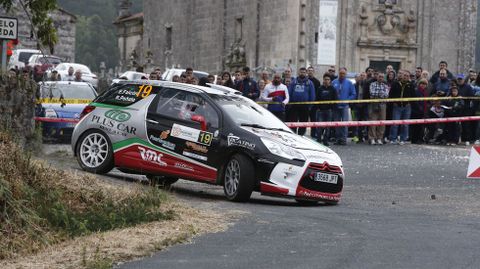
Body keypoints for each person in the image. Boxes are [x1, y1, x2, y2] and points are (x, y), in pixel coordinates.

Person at [388, 71, 417, 144]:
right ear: (402, 76)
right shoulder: (395, 84)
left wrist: (410, 104)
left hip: (407, 107)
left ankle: (403, 139)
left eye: (407, 76)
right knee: (395, 123)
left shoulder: (411, 85)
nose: (405, 77)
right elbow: (391, 94)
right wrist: (393, 103)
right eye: (404, 75)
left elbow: (413, 96)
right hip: (397, 106)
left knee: (405, 124)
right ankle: (393, 138)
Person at [331, 67, 356, 145]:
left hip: (345, 106)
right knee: (337, 123)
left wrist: (347, 100)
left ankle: (344, 139)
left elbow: (353, 94)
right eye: (340, 73)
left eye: (343, 73)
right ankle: (338, 138)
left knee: (345, 123)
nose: (342, 75)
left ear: (346, 74)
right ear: (338, 73)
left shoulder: (349, 83)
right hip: (336, 106)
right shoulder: (334, 82)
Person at [288, 67, 316, 135]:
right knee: (293, 122)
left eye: (304, 72)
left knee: (303, 123)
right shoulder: (294, 82)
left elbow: (312, 95)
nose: (302, 73)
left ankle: (301, 136)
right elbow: (289, 93)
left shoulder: (310, 83)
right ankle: (293, 136)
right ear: (298, 72)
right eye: (301, 72)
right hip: (294, 105)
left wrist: (310, 106)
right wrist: (290, 104)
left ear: (306, 73)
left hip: (305, 106)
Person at [315, 73, 338, 146]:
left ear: (330, 81)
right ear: (323, 80)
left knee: (328, 127)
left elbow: (335, 100)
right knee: (319, 127)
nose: (326, 81)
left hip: (329, 110)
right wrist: (318, 108)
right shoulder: (320, 88)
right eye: (325, 79)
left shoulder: (333, 89)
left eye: (328, 79)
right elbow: (316, 99)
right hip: (320, 110)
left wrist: (332, 108)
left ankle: (325, 141)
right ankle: (318, 140)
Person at [368, 72, 389, 145]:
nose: (380, 78)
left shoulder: (385, 85)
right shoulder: (372, 84)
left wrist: (378, 94)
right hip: (374, 104)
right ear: (377, 77)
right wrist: (381, 94)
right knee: (373, 122)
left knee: (382, 122)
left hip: (383, 105)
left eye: (382, 77)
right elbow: (372, 93)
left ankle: (379, 138)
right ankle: (372, 138)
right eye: (379, 76)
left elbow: (386, 95)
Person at [410, 79, 430, 144]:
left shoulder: (426, 92)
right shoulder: (416, 91)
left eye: (425, 84)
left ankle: (420, 139)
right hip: (416, 111)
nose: (423, 85)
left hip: (423, 111)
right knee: (415, 126)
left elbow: (427, 101)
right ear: (419, 84)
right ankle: (414, 139)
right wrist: (419, 108)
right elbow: (415, 101)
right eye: (422, 84)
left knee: (421, 127)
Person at [352, 73, 369, 143]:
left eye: (363, 76)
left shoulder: (367, 86)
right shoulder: (354, 86)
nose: (362, 77)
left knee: (363, 122)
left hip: (364, 106)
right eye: (361, 76)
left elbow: (368, 96)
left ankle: (363, 136)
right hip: (356, 106)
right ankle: (357, 137)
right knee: (356, 122)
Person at [307, 66, 321, 138]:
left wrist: (317, 105)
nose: (310, 72)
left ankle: (313, 135)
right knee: (303, 120)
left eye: (311, 70)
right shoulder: (304, 80)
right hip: (305, 104)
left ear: (313, 72)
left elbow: (318, 94)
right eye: (309, 70)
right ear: (307, 72)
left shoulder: (317, 82)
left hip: (314, 105)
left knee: (313, 120)